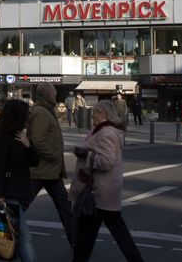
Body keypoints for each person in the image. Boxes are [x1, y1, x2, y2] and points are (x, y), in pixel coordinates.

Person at [69, 99, 145, 262]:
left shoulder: (105, 133)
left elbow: (107, 161)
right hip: (104, 191)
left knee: (87, 235)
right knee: (102, 233)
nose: (92, 116)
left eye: (94, 113)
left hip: (99, 192)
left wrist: (86, 155)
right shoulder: (107, 131)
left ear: (102, 114)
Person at [0, 99, 39, 262]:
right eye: (25, 115)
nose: (28, 119)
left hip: (21, 192)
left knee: (4, 236)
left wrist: (28, 144)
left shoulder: (21, 137)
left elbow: (35, 161)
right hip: (9, 193)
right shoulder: (2, 139)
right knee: (23, 237)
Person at [26, 83, 75, 248]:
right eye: (53, 93)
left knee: (64, 206)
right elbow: (38, 141)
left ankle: (76, 240)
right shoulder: (41, 112)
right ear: (46, 94)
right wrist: (54, 155)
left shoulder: (46, 110)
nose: (55, 96)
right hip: (41, 169)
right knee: (19, 206)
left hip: (50, 171)